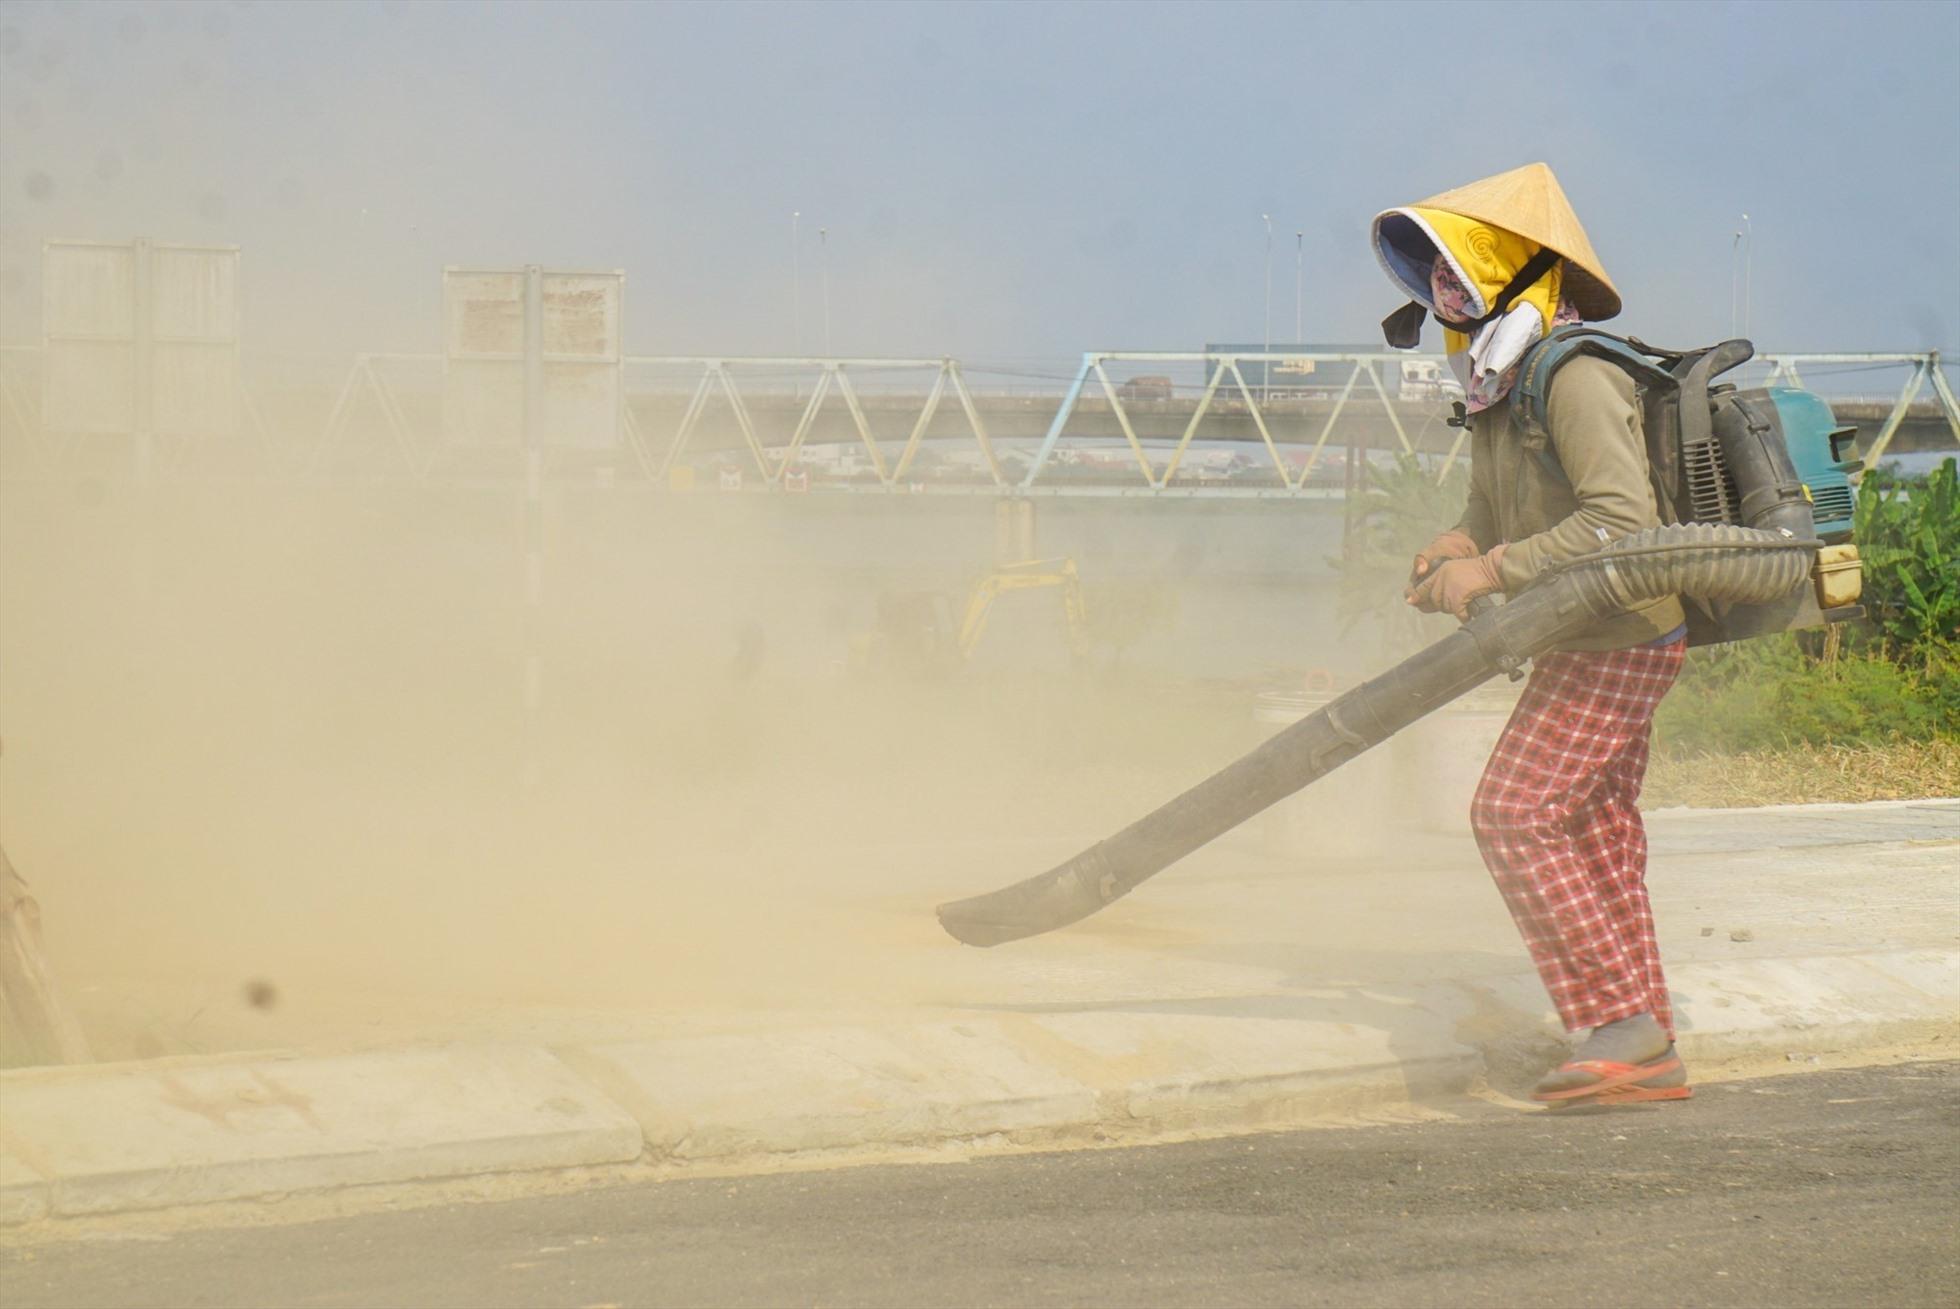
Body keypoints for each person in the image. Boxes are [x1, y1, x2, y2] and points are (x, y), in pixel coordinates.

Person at [1371, 163, 1692, 1106]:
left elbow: (1622, 523)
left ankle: (1617, 1027)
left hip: (1621, 634)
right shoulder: (1499, 389)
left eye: (1456, 270)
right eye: (1432, 276)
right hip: (1582, 631)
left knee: (1512, 812)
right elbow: (1489, 510)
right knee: (1596, 829)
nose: (1440, 293)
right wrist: (1460, 544)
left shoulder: (1579, 374)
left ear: (1508, 273)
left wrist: (1496, 571)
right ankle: (1643, 1027)